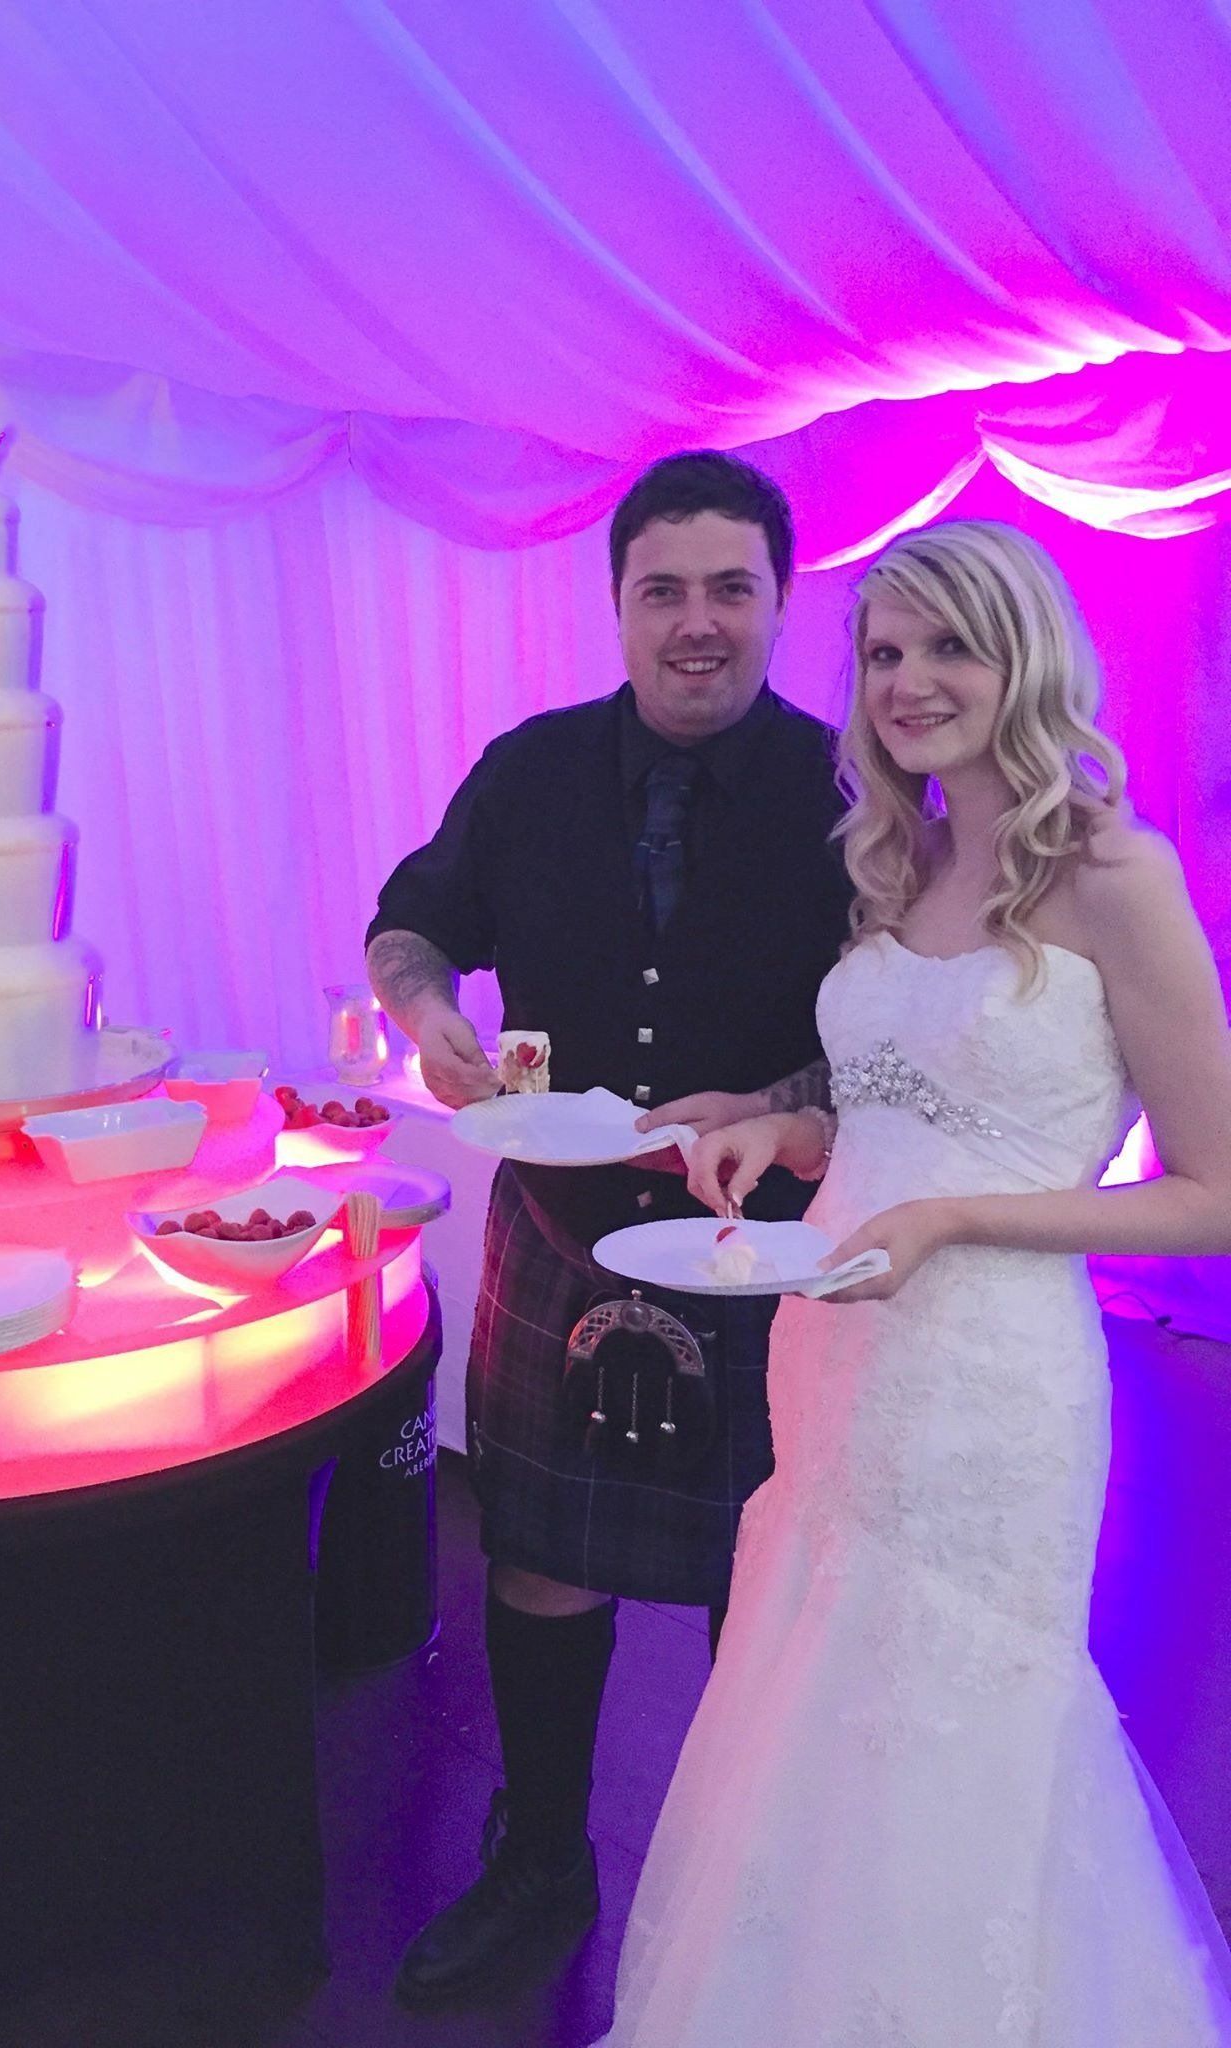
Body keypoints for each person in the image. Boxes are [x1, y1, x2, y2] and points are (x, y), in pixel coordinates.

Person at [600, 518, 1231, 2046]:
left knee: (959, 1709)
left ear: (1027, 656)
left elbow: (1211, 1198)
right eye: (884, 651)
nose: (907, 680)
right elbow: (896, 1109)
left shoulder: (1114, 874)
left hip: (990, 1382)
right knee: (816, 1683)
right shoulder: (905, 861)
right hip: (835, 1351)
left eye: (949, 644)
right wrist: (781, 1129)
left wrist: (953, 1221)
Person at [365, 451, 854, 2007]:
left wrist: (773, 1099)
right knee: (536, 1557)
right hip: (562, 1228)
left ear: (781, 601)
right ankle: (541, 1861)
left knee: (751, 1581)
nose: (697, 621)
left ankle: (742, 1882)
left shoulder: (852, 797)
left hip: (765, 1249)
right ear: (619, 604)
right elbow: (410, 922)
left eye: (731, 589)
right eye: (665, 590)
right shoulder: (529, 770)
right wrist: (429, 1014)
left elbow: (898, 1044)